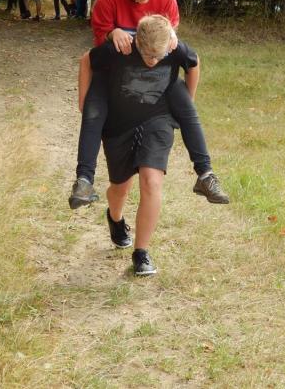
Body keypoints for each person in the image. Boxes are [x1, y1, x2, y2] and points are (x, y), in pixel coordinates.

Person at [69, 0, 229, 209]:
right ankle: (84, 180)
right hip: (114, 72)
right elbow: (94, 53)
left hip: (158, 74)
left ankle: (206, 174)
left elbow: (173, 47)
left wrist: (184, 100)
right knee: (93, 113)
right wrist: (112, 33)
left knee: (188, 109)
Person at [79, 15, 201, 275]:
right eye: (148, 57)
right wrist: (83, 102)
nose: (153, 62)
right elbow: (87, 60)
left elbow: (194, 62)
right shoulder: (121, 48)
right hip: (119, 123)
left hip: (158, 119)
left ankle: (141, 253)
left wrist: (186, 102)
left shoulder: (171, 46)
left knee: (151, 180)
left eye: (158, 58)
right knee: (120, 188)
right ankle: (114, 218)